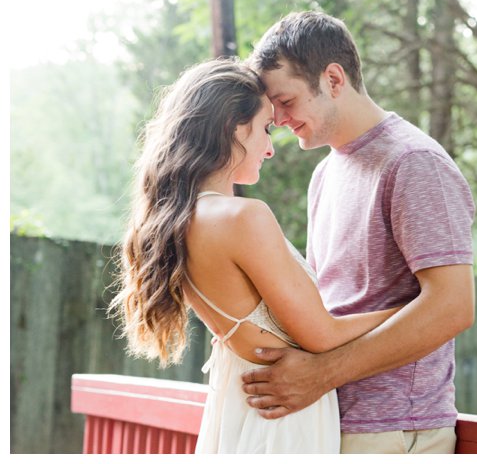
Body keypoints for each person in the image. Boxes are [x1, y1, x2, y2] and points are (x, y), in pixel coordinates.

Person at [111, 58, 401, 453]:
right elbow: (322, 335)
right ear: (234, 126)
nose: (269, 149)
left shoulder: (175, 221)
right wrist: (413, 309)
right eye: (265, 128)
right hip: (283, 419)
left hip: (242, 410)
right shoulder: (243, 217)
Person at [240, 11, 476, 454]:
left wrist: (323, 373)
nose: (280, 121)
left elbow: (453, 307)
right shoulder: (326, 174)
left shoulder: (414, 162)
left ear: (333, 78)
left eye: (286, 102)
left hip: (392, 430)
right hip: (326, 419)